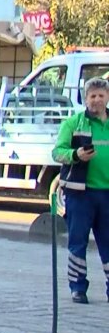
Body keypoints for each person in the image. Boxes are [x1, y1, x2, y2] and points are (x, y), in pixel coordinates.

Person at [52, 77, 109, 304]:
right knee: (78, 242)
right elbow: (57, 153)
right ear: (85, 99)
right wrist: (76, 155)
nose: (96, 100)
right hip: (80, 194)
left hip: (107, 194)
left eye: (101, 96)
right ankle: (78, 287)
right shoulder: (74, 123)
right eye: (92, 96)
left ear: (107, 98)